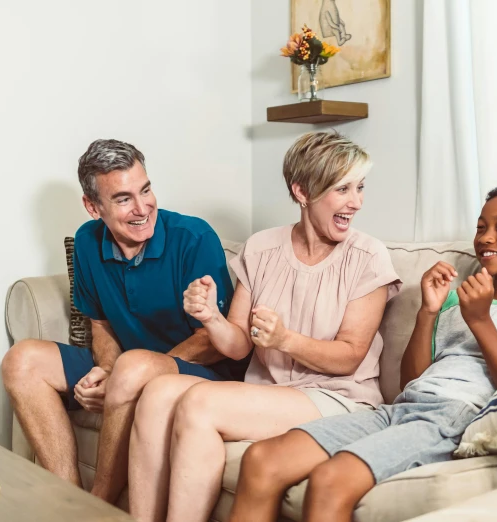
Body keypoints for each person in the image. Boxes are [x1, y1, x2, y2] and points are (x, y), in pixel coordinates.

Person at [229, 184, 497, 522]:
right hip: (401, 408)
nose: (486, 237)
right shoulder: (457, 299)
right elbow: (410, 382)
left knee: (330, 480)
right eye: (481, 227)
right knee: (263, 459)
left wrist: (481, 321)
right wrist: (428, 312)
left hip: (455, 416)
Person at [128, 131, 401, 522]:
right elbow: (238, 345)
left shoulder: (367, 256)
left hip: (338, 397)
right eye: (342, 189)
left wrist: (285, 339)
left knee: (201, 402)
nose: (355, 202)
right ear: (302, 191)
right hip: (267, 392)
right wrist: (211, 318)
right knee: (157, 393)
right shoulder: (260, 248)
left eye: (359, 187)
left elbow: (349, 356)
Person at [2, 139, 249, 504]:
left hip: (204, 374)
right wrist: (106, 369)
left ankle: (97, 505)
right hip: (129, 364)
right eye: (123, 198)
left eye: (145, 189)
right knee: (21, 361)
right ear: (92, 206)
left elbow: (213, 341)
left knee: (133, 368)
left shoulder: (194, 238)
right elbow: (99, 324)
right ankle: (68, 500)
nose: (142, 208)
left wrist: (132, 375)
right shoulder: (87, 242)